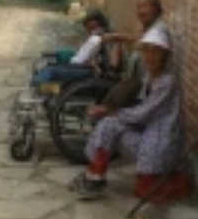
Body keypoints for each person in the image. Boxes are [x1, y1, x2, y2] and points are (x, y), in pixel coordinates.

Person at [71, 27, 187, 202]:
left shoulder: (167, 82)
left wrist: (111, 111)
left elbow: (143, 113)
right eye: (147, 51)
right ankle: (95, 175)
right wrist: (108, 109)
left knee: (146, 190)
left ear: (165, 55)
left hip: (160, 142)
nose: (151, 57)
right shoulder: (149, 76)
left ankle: (95, 175)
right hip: (146, 134)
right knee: (108, 125)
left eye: (156, 52)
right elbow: (137, 105)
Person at [89, 0, 169, 117]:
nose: (141, 11)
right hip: (139, 81)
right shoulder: (149, 27)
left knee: (112, 105)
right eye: (138, 7)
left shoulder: (158, 31)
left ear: (156, 9)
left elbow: (142, 42)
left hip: (146, 88)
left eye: (145, 7)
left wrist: (115, 37)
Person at [31, 10, 109, 88]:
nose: (88, 28)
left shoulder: (100, 37)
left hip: (80, 68)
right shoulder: (95, 35)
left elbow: (93, 58)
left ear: (96, 23)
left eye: (90, 24)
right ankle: (46, 86)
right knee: (54, 61)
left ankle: (47, 88)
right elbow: (86, 53)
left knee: (49, 71)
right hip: (76, 62)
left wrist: (94, 63)